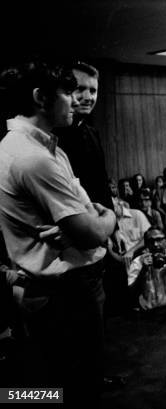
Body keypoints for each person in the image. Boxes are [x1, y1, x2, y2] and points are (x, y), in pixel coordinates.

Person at [0, 60, 116, 405]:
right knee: (77, 390)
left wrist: (96, 220)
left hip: (56, 290)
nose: (77, 99)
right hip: (67, 294)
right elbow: (93, 231)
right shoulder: (33, 158)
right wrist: (108, 219)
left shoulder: (42, 148)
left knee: (55, 385)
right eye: (68, 92)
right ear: (41, 98)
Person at [55, 61, 113, 210]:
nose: (88, 97)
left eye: (93, 91)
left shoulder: (93, 133)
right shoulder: (50, 134)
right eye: (80, 89)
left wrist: (114, 229)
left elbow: (103, 188)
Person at [127, 228, 166, 310]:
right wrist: (143, 270)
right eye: (151, 241)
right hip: (152, 313)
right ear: (146, 244)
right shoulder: (138, 262)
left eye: (159, 239)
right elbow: (131, 292)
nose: (155, 244)